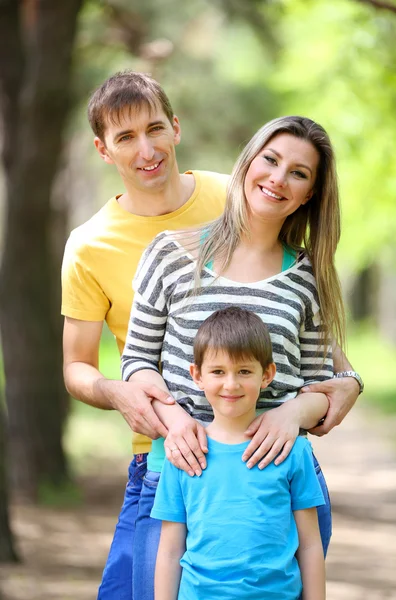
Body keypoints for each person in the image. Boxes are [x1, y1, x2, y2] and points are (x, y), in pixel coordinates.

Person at [61, 69, 360, 600]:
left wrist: (305, 405)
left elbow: (322, 376)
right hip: (178, 466)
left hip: (273, 479)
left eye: (298, 174)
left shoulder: (301, 269)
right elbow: (134, 362)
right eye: (269, 162)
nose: (276, 179)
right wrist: (171, 416)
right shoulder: (162, 251)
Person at [61, 70, 229, 600]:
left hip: (252, 449)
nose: (146, 149)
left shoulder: (232, 199)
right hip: (158, 458)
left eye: (155, 128)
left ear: (176, 128)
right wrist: (116, 391)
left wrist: (341, 376)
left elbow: (297, 295)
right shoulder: (89, 246)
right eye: (126, 137)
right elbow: (76, 367)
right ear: (103, 150)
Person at [152, 306, 327, 600]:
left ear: (267, 374)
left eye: (244, 371)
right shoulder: (183, 454)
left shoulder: (293, 451)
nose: (231, 384)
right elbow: (170, 552)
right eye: (218, 371)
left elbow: (310, 545)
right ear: (197, 375)